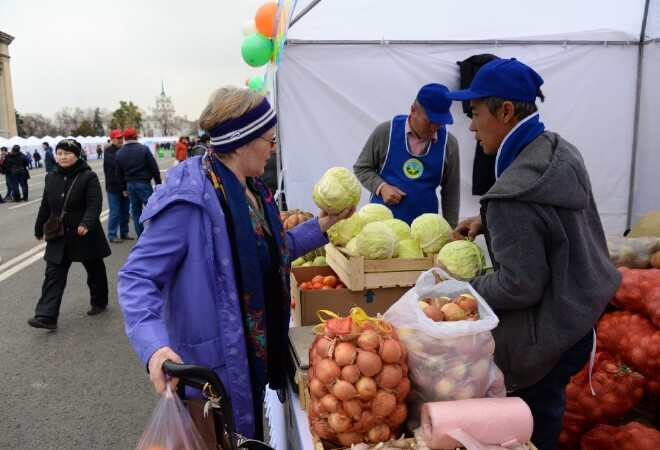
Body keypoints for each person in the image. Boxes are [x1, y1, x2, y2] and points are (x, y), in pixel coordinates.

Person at [117, 87, 353, 442]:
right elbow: (136, 277)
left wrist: (321, 227)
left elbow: (270, 252)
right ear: (241, 142)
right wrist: (154, 348)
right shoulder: (190, 199)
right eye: (268, 140)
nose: (273, 148)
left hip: (247, 357)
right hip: (210, 375)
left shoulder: (253, 190)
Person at [447, 58, 620, 450]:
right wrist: (487, 221)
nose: (471, 126)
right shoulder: (558, 151)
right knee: (549, 412)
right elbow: (550, 224)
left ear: (506, 111)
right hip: (580, 314)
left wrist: (459, 287)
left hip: (547, 335)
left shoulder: (513, 193)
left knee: (530, 428)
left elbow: (519, 286)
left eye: (475, 114)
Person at [29, 139, 111, 330]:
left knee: (94, 269)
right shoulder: (51, 177)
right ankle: (46, 316)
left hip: (83, 233)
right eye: (60, 153)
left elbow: (94, 203)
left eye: (67, 153)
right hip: (59, 234)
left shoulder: (88, 176)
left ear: (77, 155)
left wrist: (86, 223)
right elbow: (46, 204)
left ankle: (99, 301)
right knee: (53, 274)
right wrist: (38, 226)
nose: (63, 157)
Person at [353, 83, 460, 226]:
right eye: (429, 121)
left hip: (423, 233)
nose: (434, 128)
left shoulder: (449, 144)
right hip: (381, 226)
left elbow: (451, 191)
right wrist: (381, 187)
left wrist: (451, 229)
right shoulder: (386, 132)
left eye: (440, 123)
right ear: (413, 110)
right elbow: (362, 168)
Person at [115, 128, 161, 237]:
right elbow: (154, 167)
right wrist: (158, 183)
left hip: (130, 184)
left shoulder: (120, 152)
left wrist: (123, 188)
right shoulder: (144, 149)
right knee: (152, 210)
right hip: (144, 183)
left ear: (125, 138)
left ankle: (141, 237)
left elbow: (118, 173)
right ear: (136, 136)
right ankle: (156, 234)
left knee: (136, 213)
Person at [103, 129, 133, 243]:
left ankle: (124, 233)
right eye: (118, 138)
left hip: (125, 186)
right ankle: (112, 235)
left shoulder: (124, 150)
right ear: (112, 139)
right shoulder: (109, 151)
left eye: (121, 138)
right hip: (113, 187)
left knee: (125, 212)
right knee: (115, 212)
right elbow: (118, 165)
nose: (120, 140)